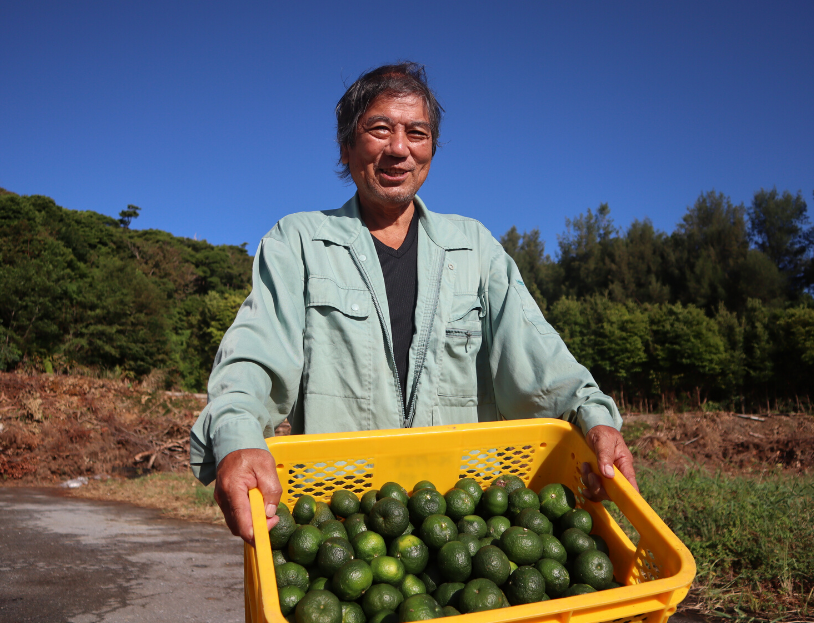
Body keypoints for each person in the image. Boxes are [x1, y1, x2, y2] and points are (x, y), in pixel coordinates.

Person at [190, 62, 637, 543]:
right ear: (347, 145)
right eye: (379, 128)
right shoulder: (299, 241)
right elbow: (255, 356)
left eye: (416, 133)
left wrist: (593, 418)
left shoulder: (474, 247)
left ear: (431, 149)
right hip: (338, 526)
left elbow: (539, 358)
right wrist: (237, 438)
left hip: (461, 525)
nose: (399, 148)